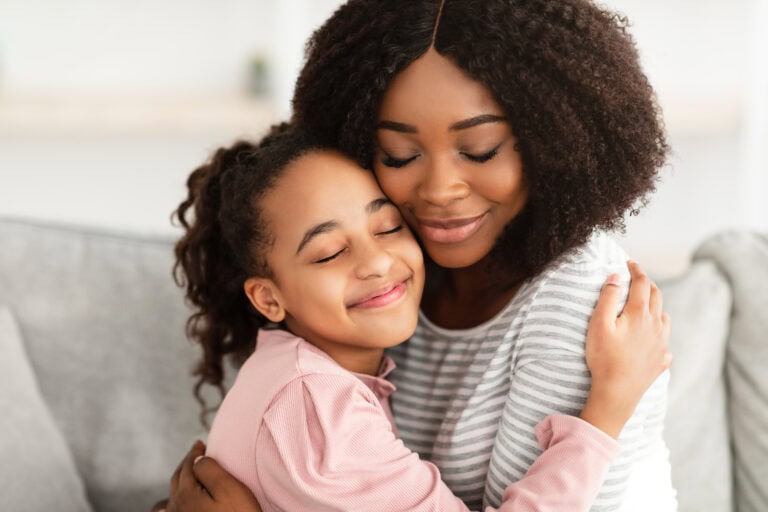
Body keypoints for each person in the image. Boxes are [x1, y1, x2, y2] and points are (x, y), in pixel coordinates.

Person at [154, 0, 676, 510]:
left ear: (549, 139)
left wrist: (607, 408)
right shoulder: (387, 297)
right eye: (399, 155)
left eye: (479, 150)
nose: (440, 190)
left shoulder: (585, 302)